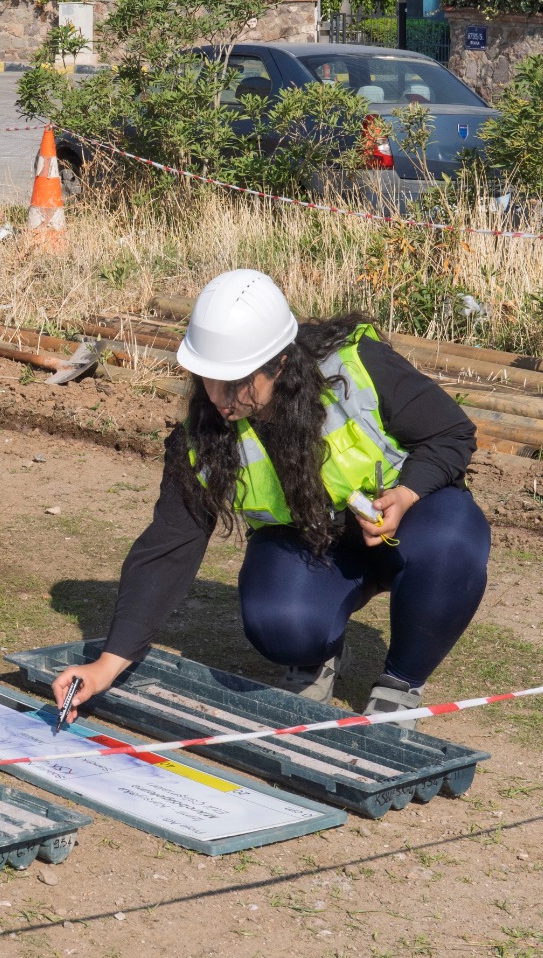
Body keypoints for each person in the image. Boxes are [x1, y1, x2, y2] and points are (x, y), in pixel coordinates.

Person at [52, 269, 490, 727]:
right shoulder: (201, 438)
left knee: (451, 540)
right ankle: (316, 652)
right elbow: (167, 547)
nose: (221, 399)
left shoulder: (359, 366)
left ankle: (401, 682)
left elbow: (452, 433)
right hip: (317, 547)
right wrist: (107, 664)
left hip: (410, 526)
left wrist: (407, 491)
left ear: (280, 363)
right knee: (278, 620)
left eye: (237, 382)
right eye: (210, 379)